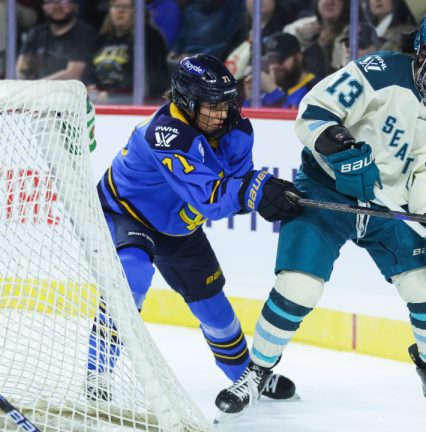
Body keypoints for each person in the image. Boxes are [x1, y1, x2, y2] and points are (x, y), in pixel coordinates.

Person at [215, 9, 426, 421]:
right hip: (326, 192)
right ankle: (256, 374)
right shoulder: (378, 72)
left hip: (386, 209)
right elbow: (313, 111)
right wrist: (343, 151)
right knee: (299, 286)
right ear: (423, 54)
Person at [85, 54, 303, 402]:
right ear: (186, 100)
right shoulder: (165, 133)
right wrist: (258, 189)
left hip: (178, 228)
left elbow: (236, 180)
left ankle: (247, 378)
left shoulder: (237, 129)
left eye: (226, 103)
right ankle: (96, 373)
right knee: (133, 276)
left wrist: (262, 190)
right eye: (211, 105)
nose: (221, 113)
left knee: (215, 309)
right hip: (125, 213)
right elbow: (209, 197)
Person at [84, 0, 170, 105]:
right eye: (116, 6)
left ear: (137, 12)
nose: (120, 11)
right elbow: (88, 69)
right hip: (101, 94)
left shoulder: (147, 38)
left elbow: (147, 77)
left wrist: (111, 92)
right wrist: (91, 85)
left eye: (126, 7)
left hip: (135, 97)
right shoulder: (101, 40)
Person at [16, 0, 97, 80]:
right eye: (50, 1)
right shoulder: (36, 33)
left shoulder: (84, 33)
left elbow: (73, 74)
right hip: (37, 90)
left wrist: (37, 86)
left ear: (75, 6)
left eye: (64, 1)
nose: (57, 6)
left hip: (70, 91)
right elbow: (22, 68)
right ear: (43, 6)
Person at [259, 32, 321, 108]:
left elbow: (297, 117)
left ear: (299, 57)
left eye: (281, 59)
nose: (275, 66)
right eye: (272, 60)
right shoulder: (272, 92)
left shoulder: (317, 89)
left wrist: (274, 93)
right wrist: (250, 99)